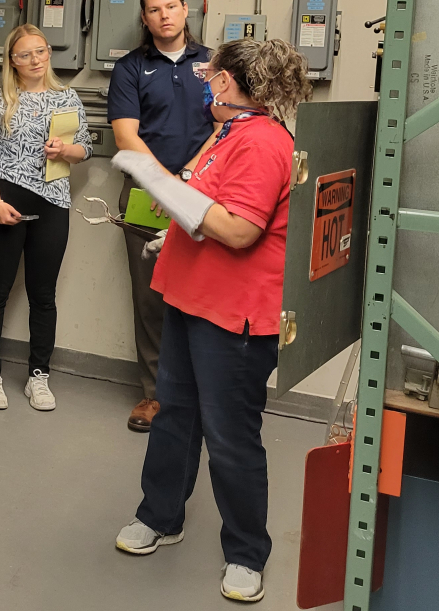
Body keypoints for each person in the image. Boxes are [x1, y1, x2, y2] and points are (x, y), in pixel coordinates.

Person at [112, 39, 312, 604]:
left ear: (226, 83)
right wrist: (169, 227)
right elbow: (204, 201)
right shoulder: (228, 132)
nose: (204, 81)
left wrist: (153, 177)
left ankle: (247, 552)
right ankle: (160, 516)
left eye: (211, 74)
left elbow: (239, 230)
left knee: (230, 438)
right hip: (190, 298)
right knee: (174, 416)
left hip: (236, 315)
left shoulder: (265, 142)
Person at [106, 0, 213, 432]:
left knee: (204, 295)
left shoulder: (213, 63)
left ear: (186, 9)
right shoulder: (130, 68)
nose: (164, 16)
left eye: (171, 7)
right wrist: (167, 184)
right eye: (154, 9)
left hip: (207, 192)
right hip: (144, 195)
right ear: (145, 18)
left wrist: (188, 178)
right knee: (151, 297)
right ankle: (153, 396)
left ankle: (200, 396)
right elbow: (126, 136)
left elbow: (227, 128)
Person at [0, 24, 93, 412]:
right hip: (5, 202)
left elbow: (86, 149)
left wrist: (67, 150)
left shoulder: (68, 97)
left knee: (44, 295)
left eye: (40, 52)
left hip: (53, 204)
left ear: (48, 53)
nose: (35, 60)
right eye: (25, 55)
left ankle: (38, 376)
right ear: (12, 60)